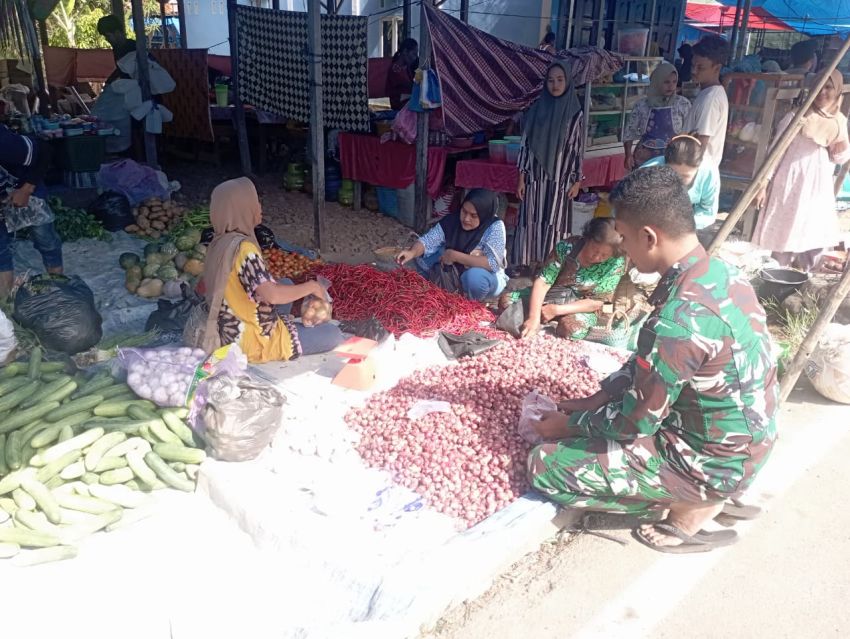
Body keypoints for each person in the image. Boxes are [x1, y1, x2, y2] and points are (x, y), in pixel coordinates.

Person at [528, 166, 778, 554]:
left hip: (711, 462)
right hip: (745, 446)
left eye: (624, 238)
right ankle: (709, 490)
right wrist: (598, 397)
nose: (623, 249)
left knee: (544, 466)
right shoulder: (720, 273)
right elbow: (647, 364)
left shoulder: (678, 318)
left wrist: (569, 426)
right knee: (602, 423)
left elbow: (634, 423)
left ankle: (691, 504)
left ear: (648, 237)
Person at [203, 178, 343, 363]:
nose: (259, 207)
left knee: (285, 283)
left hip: (226, 326)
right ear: (243, 207)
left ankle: (277, 323)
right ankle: (275, 340)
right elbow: (272, 296)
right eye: (255, 202)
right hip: (247, 342)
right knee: (333, 334)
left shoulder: (218, 243)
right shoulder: (243, 249)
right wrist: (312, 287)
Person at [752, 70, 850, 272]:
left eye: (829, 87)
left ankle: (808, 278)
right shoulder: (796, 117)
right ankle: (775, 278)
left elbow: (840, 157)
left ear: (837, 90)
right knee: (785, 232)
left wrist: (841, 149)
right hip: (791, 182)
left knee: (814, 233)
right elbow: (775, 153)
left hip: (818, 186)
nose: (822, 92)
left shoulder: (838, 121)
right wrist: (763, 184)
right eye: (819, 86)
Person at [499, 218, 626, 340]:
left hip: (580, 308)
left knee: (572, 329)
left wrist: (556, 310)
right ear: (588, 238)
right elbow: (543, 281)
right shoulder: (567, 247)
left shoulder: (615, 264)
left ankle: (554, 320)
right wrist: (534, 317)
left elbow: (597, 302)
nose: (597, 257)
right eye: (595, 250)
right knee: (507, 301)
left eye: (604, 255)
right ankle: (540, 318)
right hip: (550, 297)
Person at [514, 60, 584, 268]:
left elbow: (577, 149)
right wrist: (521, 178)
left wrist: (577, 180)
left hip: (560, 180)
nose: (555, 85)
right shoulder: (536, 111)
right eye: (551, 80)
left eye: (560, 80)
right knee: (532, 218)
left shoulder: (574, 113)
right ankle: (528, 265)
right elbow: (526, 145)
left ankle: (552, 267)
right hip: (535, 179)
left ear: (568, 81)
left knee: (555, 220)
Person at [396, 189, 507, 301]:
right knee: (422, 258)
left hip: (485, 277)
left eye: (473, 216)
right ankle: (454, 292)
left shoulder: (494, 227)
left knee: (474, 278)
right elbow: (428, 240)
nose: (466, 219)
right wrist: (411, 252)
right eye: (464, 211)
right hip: (456, 272)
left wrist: (454, 256)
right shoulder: (452, 220)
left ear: (484, 215)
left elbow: (492, 263)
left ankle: (473, 302)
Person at [0, 124, 64, 299]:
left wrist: (26, 189)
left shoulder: (5, 144)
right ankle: (6, 304)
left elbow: (45, 150)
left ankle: (59, 285)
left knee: (45, 238)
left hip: (26, 187)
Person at [641, 134, 720, 230]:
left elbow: (708, 212)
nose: (677, 180)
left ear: (698, 168)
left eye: (685, 176)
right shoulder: (648, 172)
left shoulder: (708, 173)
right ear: (664, 165)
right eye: (673, 174)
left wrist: (680, 224)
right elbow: (633, 207)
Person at [623, 62, 691, 170]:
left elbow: (689, 132)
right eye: (666, 82)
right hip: (644, 159)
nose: (671, 86)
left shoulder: (682, 104)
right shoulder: (642, 105)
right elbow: (629, 132)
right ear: (656, 82)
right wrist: (628, 155)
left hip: (672, 159)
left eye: (674, 82)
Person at [684, 36, 730, 169]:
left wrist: (685, 174)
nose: (693, 71)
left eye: (700, 68)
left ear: (717, 68)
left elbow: (700, 145)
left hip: (695, 172)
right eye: (693, 65)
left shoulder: (710, 99)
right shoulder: (710, 93)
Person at [97, 15, 136, 86]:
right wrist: (108, 82)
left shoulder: (133, 48)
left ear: (117, 33)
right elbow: (120, 69)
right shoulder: (117, 48)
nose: (106, 39)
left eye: (108, 36)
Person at [386, 38, 419, 111]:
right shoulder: (395, 69)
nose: (415, 57)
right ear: (405, 52)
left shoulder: (407, 68)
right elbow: (409, 87)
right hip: (400, 107)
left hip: (407, 104)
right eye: (414, 54)